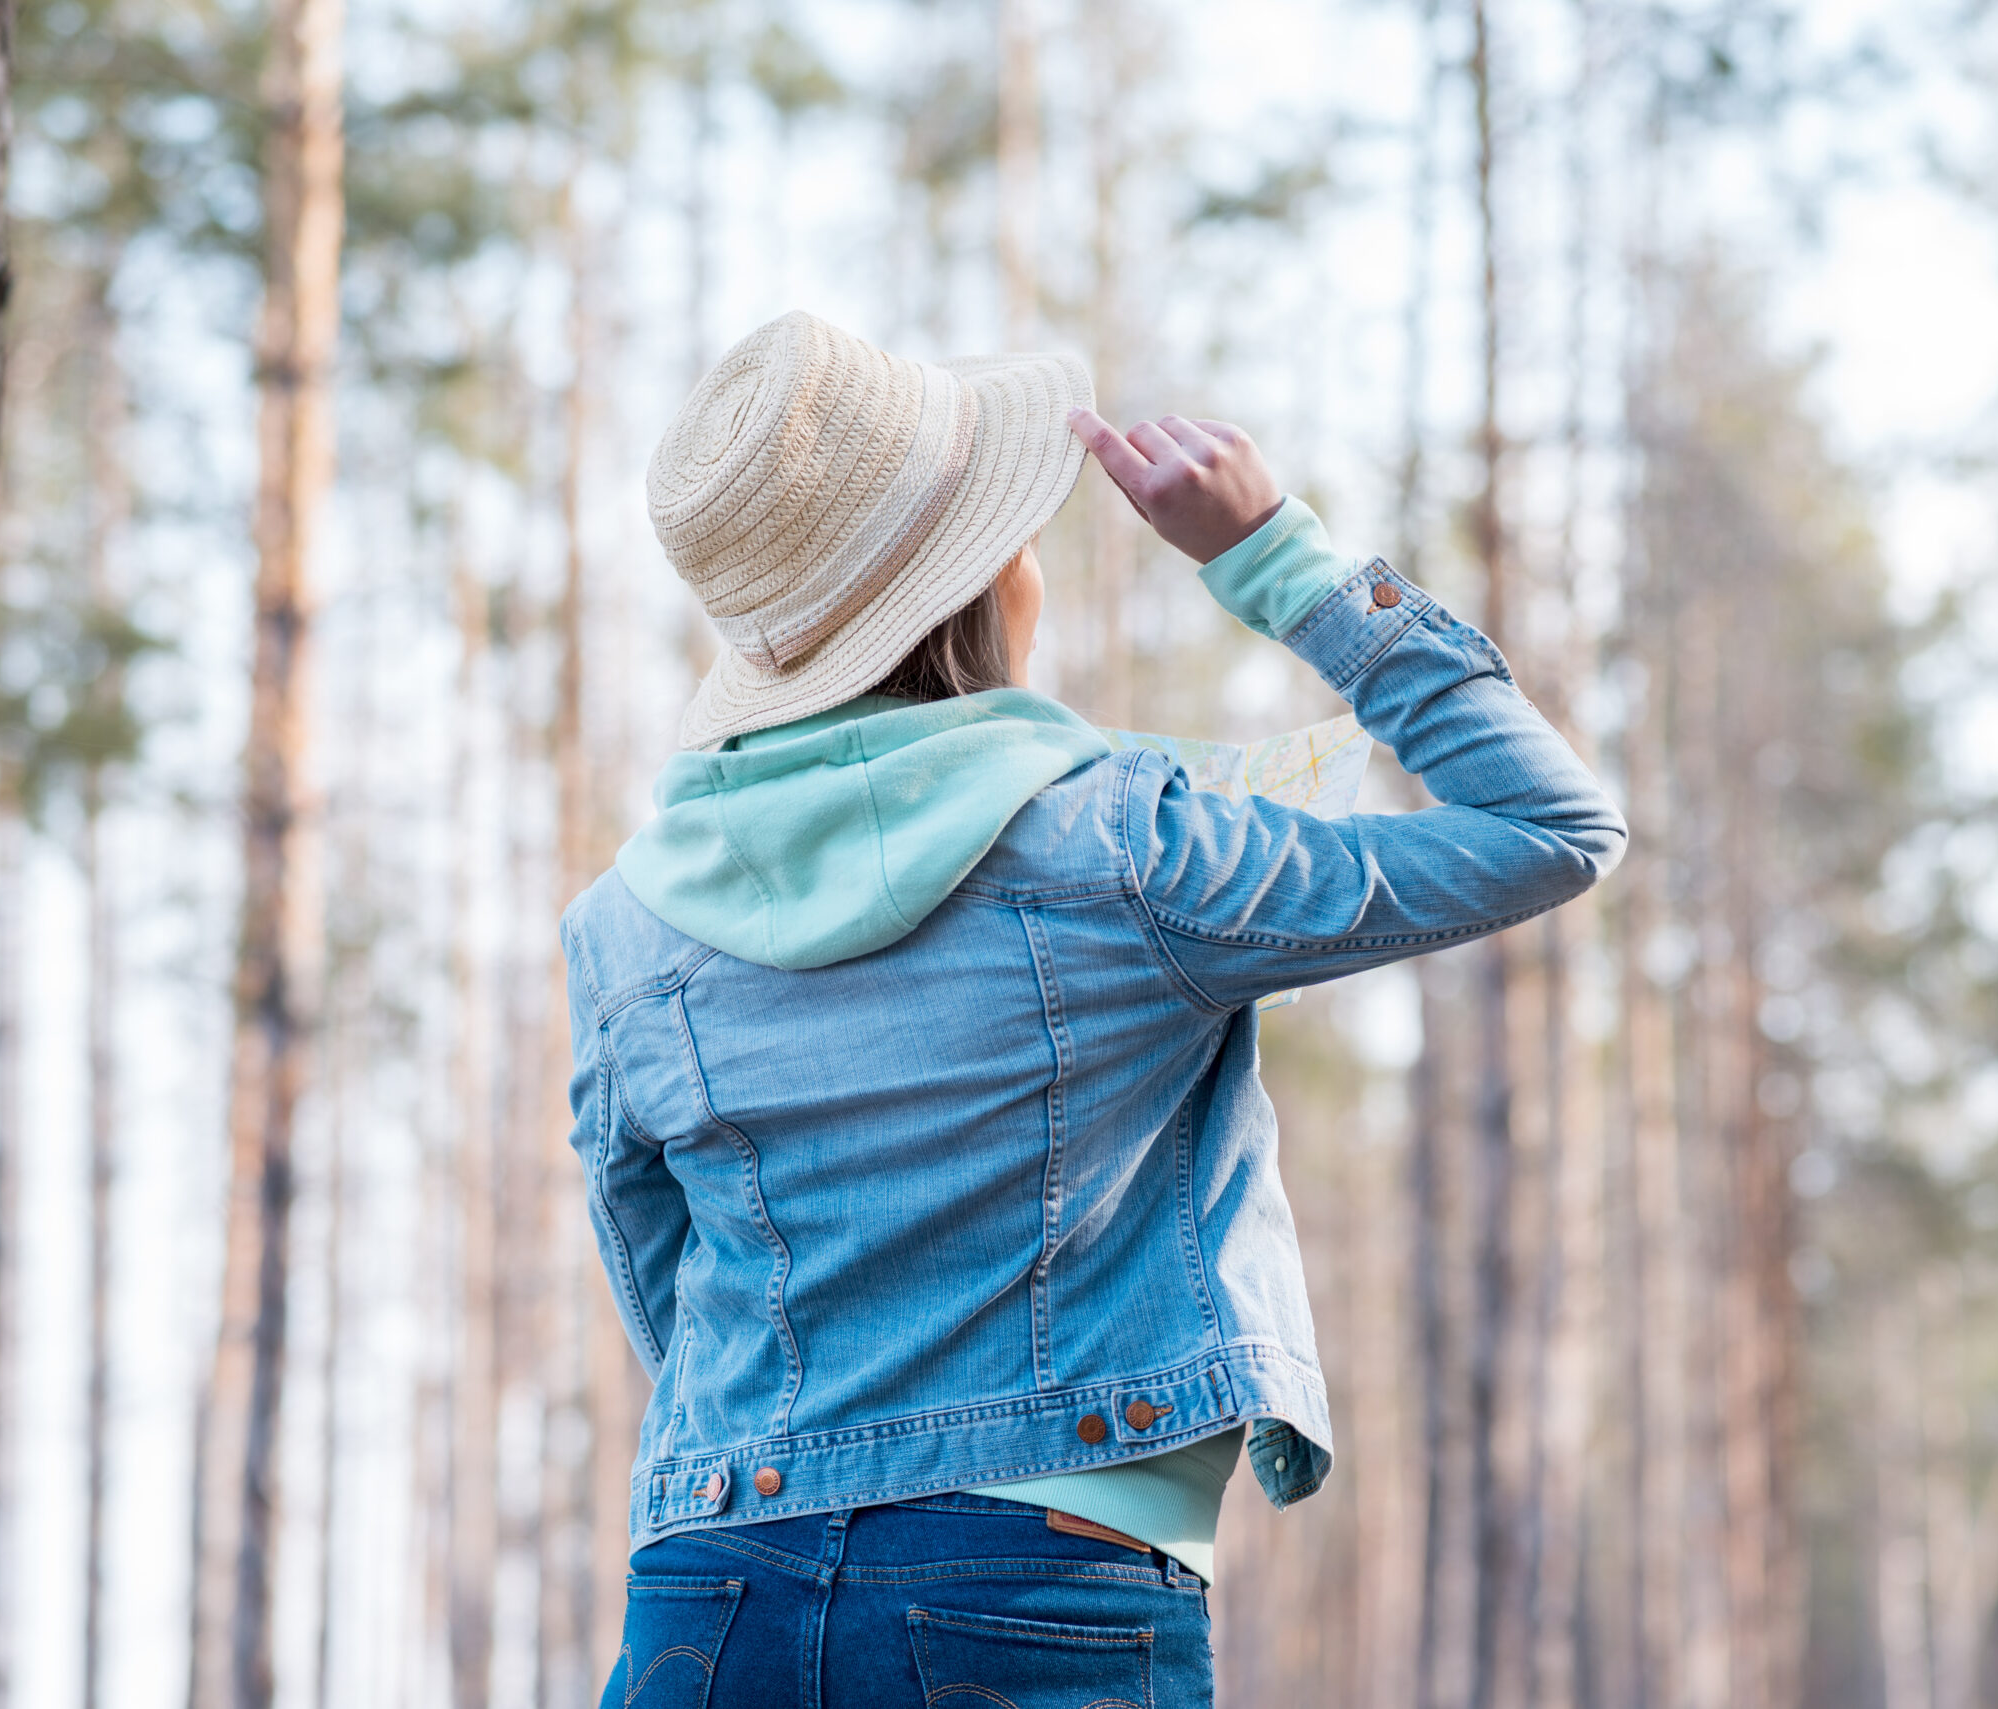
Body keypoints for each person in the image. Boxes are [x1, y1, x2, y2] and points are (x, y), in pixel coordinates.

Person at [564, 309, 1627, 1706]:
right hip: (1034, 1585)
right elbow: (1549, 824)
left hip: (710, 1583)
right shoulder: (1124, 850)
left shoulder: (625, 923)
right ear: (990, 581)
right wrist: (1278, 557)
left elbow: (663, 1276)